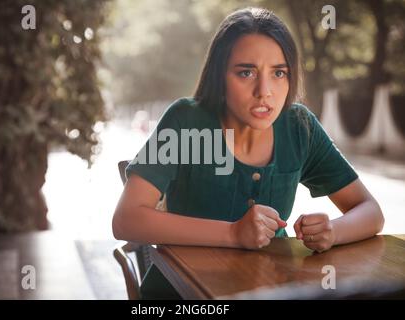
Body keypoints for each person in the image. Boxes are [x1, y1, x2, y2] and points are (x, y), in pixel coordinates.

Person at [112, 7, 384, 299]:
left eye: (279, 73)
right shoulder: (186, 122)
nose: (264, 91)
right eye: (246, 72)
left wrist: (333, 230)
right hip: (179, 293)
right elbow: (126, 220)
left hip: (272, 289)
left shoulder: (299, 127)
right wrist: (233, 233)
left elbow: (371, 212)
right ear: (219, 76)